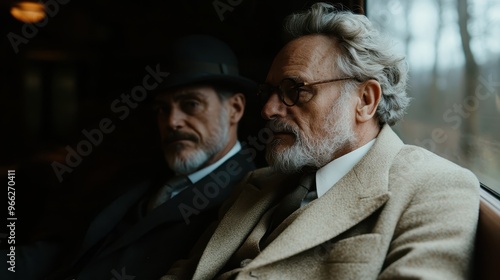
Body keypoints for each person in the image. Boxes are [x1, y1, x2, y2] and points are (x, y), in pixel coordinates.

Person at [162, 3, 480, 280]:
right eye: (268, 92)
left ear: (365, 100)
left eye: (295, 90)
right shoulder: (257, 182)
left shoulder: (437, 188)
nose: (269, 109)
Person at [2, 35, 256, 280]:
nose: (171, 121)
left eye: (191, 104)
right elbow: (63, 251)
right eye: (161, 109)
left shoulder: (247, 197)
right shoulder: (140, 177)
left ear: (234, 109)